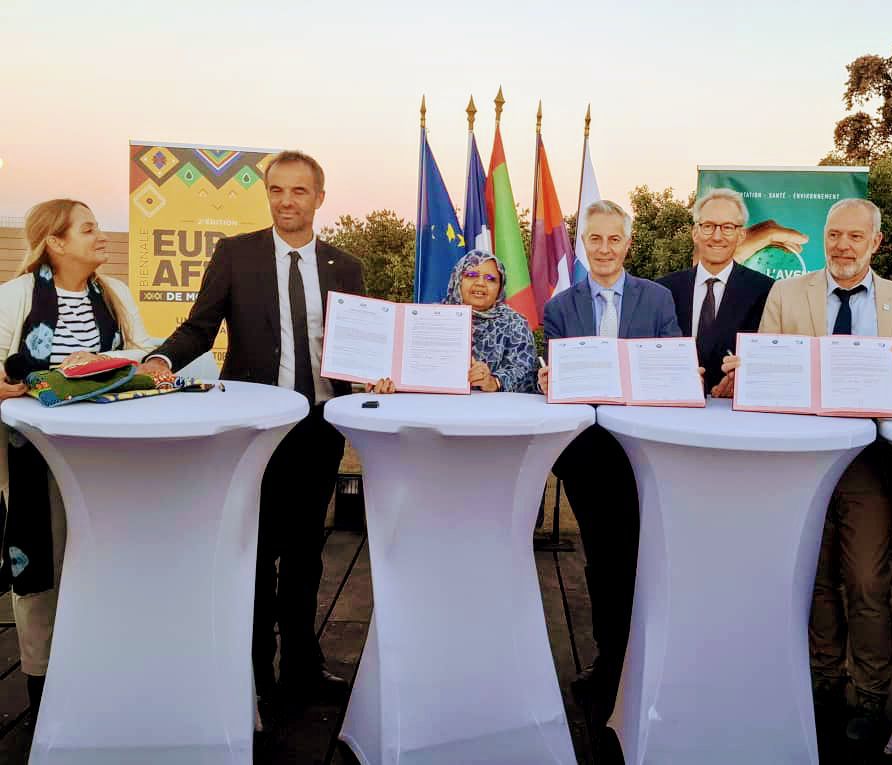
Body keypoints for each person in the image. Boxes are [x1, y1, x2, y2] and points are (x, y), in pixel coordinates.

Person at [138, 151, 364, 708]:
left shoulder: (346, 267)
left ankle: (303, 668)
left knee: (308, 552)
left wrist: (379, 377)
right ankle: (254, 670)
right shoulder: (236, 255)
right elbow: (199, 327)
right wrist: (160, 360)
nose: (286, 201)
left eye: (299, 191)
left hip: (320, 427)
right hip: (258, 427)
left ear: (320, 198)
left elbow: (360, 345)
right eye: (276, 190)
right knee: (258, 551)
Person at [722, 198, 892, 749]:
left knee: (866, 578)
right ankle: (823, 680)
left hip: (869, 459)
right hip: (803, 456)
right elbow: (763, 367)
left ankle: (871, 693)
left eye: (855, 237)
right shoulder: (787, 295)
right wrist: (747, 370)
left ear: (875, 243)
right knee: (814, 575)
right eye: (834, 234)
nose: (842, 245)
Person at [0, 199, 159, 720]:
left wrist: (104, 362)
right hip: (35, 455)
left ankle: (102, 670)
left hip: (106, 455)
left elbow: (142, 352)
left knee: (102, 558)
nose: (101, 236)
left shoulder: (114, 293)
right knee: (40, 562)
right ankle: (43, 686)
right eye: (88, 228)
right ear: (55, 242)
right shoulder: (15, 296)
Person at [537, 200, 681, 737]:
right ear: (583, 245)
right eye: (594, 239)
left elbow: (670, 367)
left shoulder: (658, 299)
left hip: (645, 450)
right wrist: (550, 381)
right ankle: (609, 659)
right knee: (601, 559)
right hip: (588, 455)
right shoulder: (560, 307)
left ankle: (644, 660)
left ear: (627, 243)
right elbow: (554, 373)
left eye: (613, 239)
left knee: (644, 556)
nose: (604, 249)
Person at [369, 249, 537, 394]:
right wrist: (386, 381)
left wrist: (494, 381)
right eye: (471, 275)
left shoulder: (514, 323)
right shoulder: (428, 317)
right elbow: (404, 365)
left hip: (491, 414)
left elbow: (526, 372)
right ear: (457, 279)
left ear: (500, 287)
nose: (480, 283)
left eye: (490, 278)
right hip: (431, 409)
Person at [658, 188, 774, 395]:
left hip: (735, 406)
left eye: (727, 227)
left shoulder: (766, 291)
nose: (717, 236)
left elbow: (770, 357)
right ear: (695, 233)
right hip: (676, 402)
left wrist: (743, 377)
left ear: (741, 235)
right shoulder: (664, 290)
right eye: (708, 226)